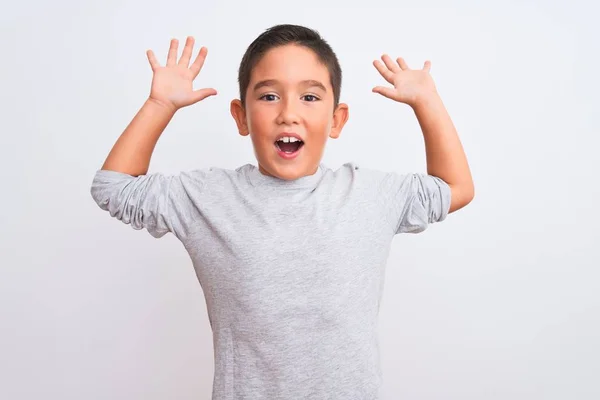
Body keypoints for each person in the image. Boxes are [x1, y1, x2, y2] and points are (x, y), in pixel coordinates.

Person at [90, 23, 474, 400]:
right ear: (241, 117)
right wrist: (160, 105)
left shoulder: (371, 194)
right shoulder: (207, 198)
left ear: (336, 119)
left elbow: (456, 188)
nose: (288, 114)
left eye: (309, 97)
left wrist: (428, 102)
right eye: (269, 96)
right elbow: (113, 188)